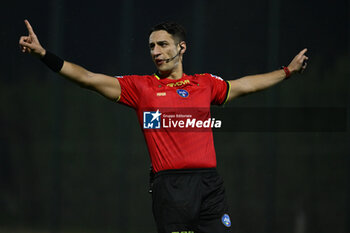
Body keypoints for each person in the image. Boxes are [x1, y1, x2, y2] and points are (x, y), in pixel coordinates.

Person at [19, 19, 308, 233]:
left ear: (181, 47)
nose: (155, 51)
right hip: (170, 189)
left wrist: (287, 72)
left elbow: (246, 85)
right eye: (151, 46)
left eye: (162, 44)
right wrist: (45, 55)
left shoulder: (205, 83)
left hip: (209, 185)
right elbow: (88, 78)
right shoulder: (140, 87)